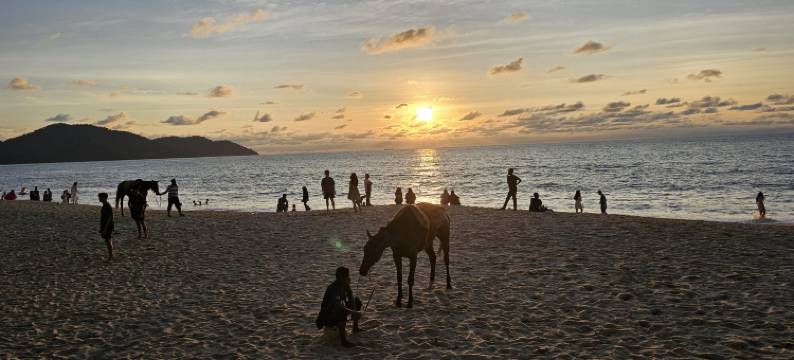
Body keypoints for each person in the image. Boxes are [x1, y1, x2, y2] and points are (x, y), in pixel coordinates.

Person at [316, 266, 363, 348]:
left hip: (336, 311)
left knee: (357, 301)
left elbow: (351, 298)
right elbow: (338, 306)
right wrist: (353, 312)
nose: (349, 278)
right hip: (327, 317)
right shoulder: (333, 288)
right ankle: (343, 341)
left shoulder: (344, 284)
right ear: (342, 277)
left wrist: (354, 313)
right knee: (340, 310)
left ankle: (355, 327)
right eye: (348, 276)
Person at [98, 193, 114, 261]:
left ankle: (111, 256)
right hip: (105, 225)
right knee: (107, 240)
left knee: (108, 240)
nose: (99, 199)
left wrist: (105, 229)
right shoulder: (104, 205)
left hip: (108, 226)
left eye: (100, 197)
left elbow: (110, 218)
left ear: (104, 198)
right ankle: (111, 255)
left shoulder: (107, 206)